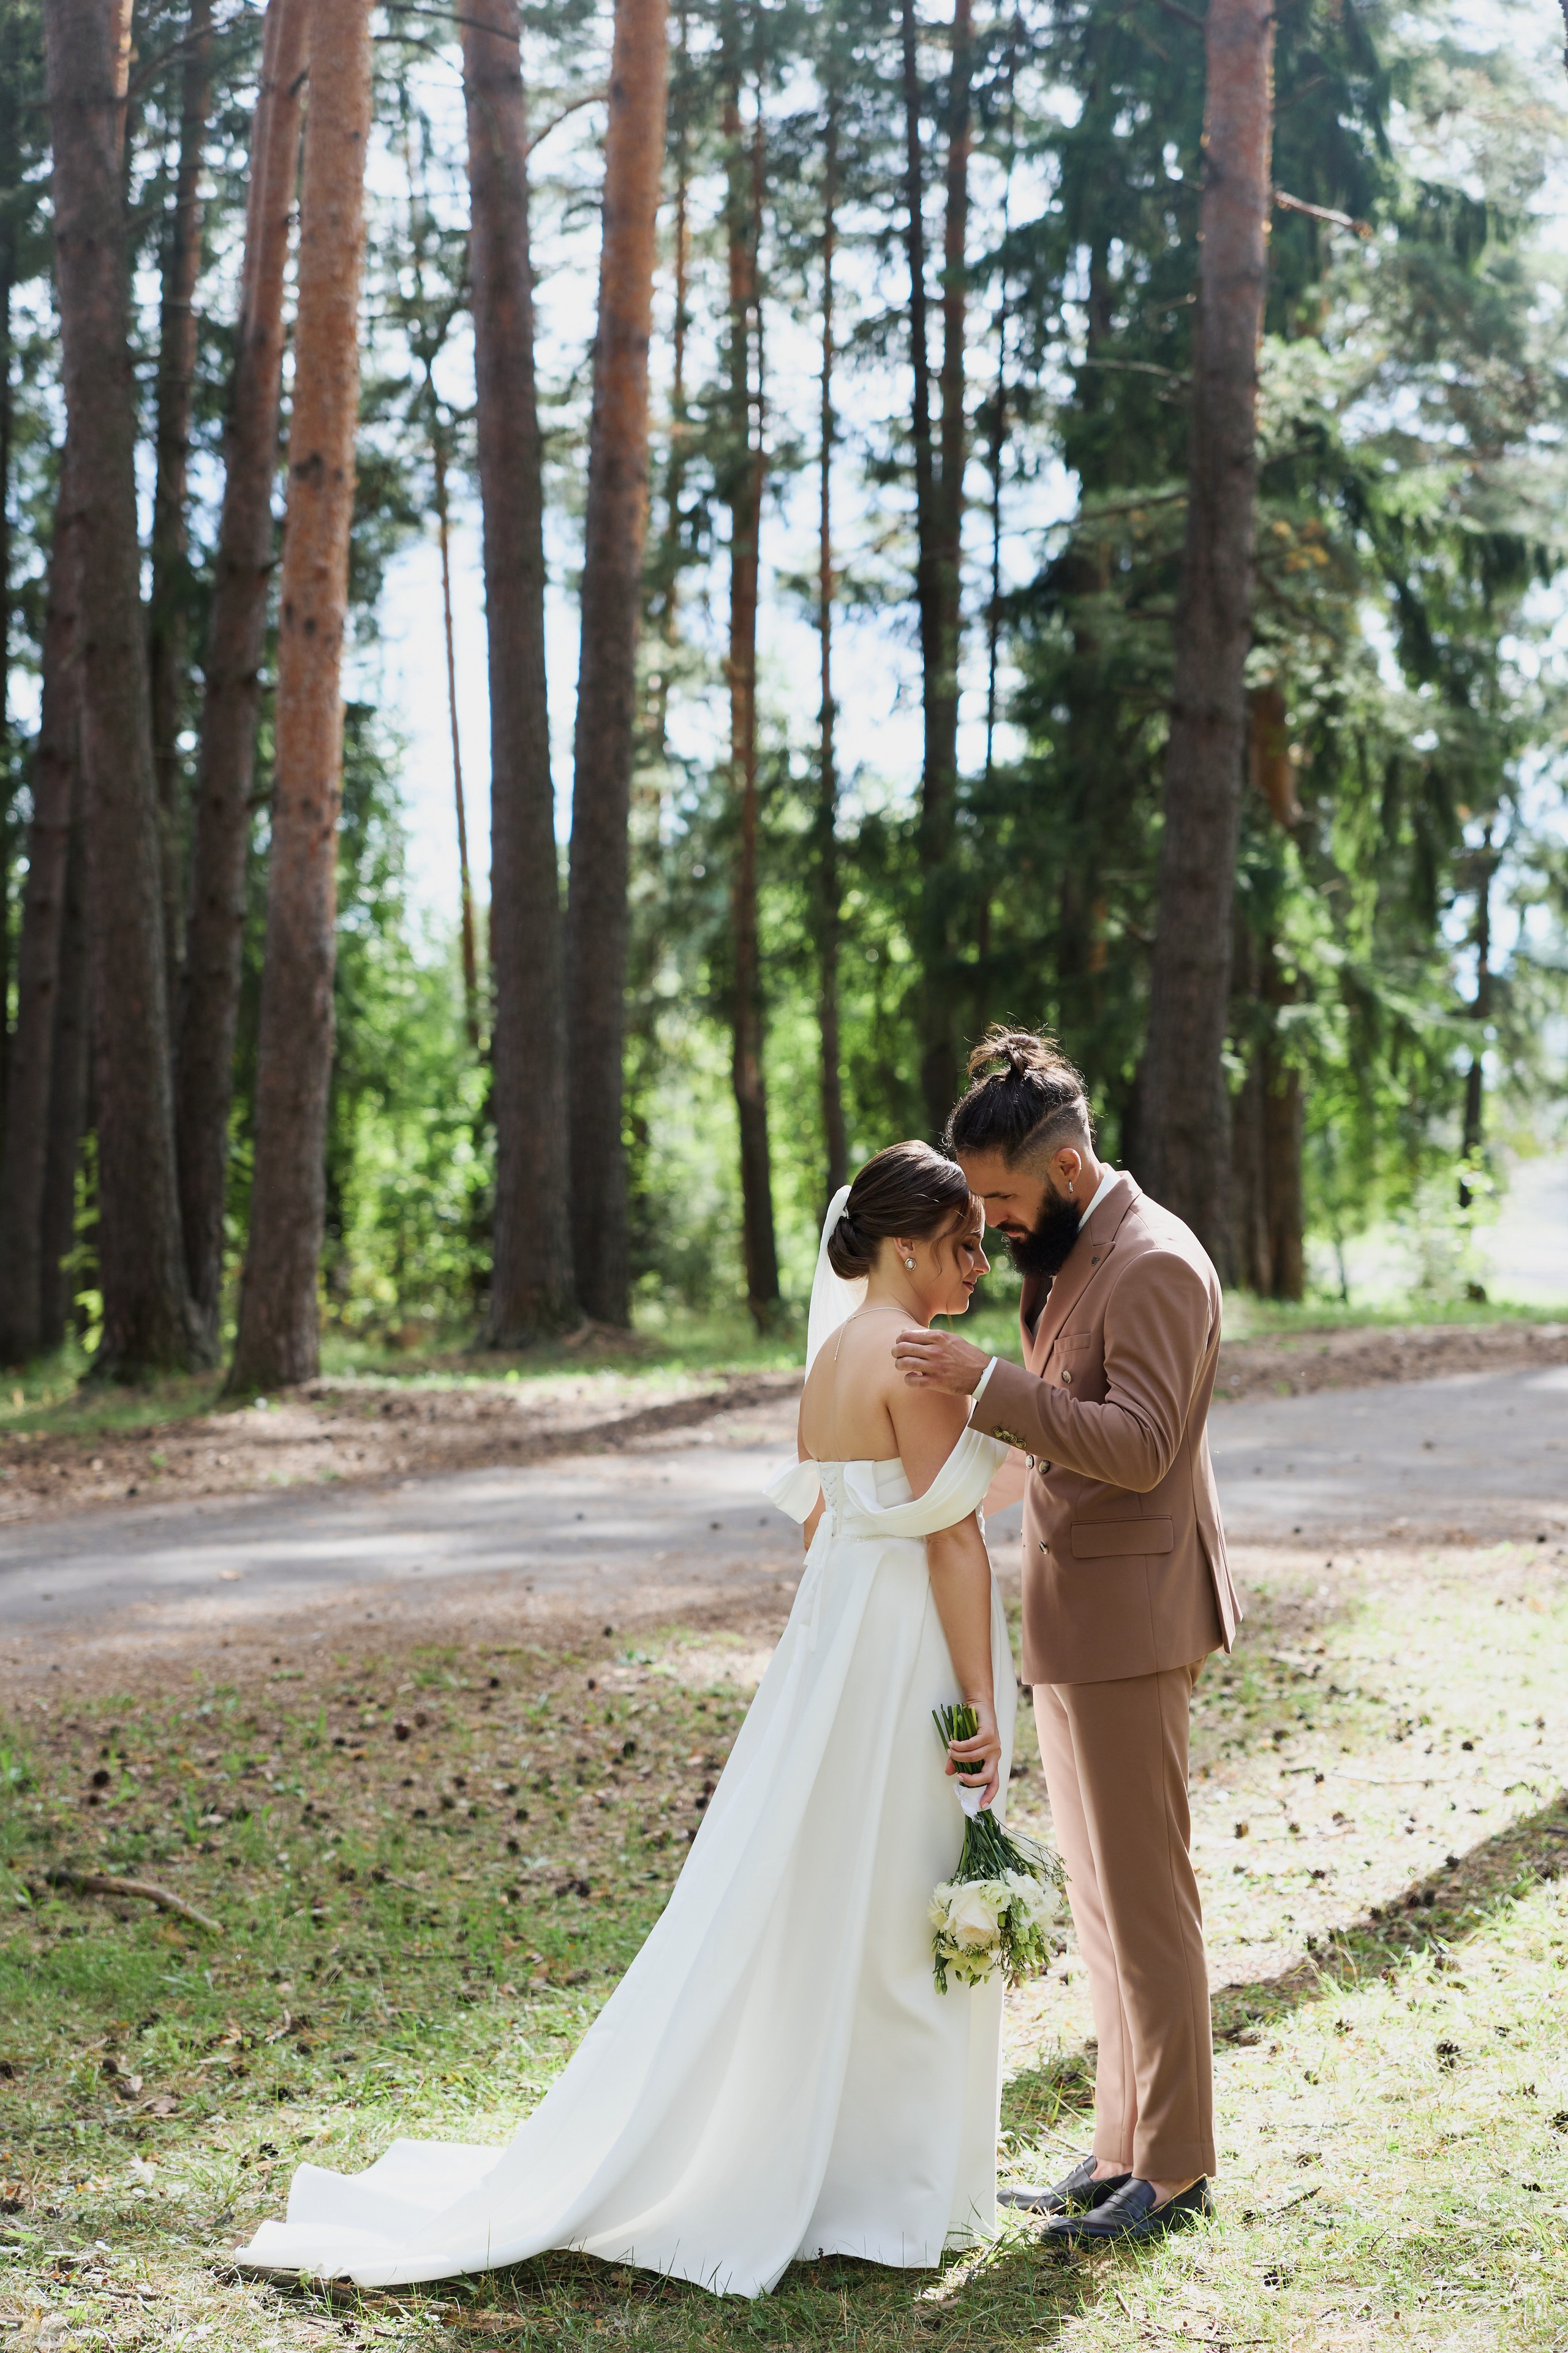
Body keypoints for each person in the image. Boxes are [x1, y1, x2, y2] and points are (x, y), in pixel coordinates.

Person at [235, 1141, 1016, 2298]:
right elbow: (951, 1535)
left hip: (836, 1643)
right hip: (902, 1650)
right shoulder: (913, 1359)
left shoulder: (829, 1362)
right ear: (906, 1246)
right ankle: (884, 2180)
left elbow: (824, 1526)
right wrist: (983, 1700)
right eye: (964, 1245)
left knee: (826, 1885)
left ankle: (848, 2157)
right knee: (901, 1887)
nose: (978, 1267)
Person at [895, 1029, 1240, 2247]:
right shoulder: (1075, 1250)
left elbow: (1138, 1441)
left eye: (998, 1196)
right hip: (1078, 1614)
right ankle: (1118, 2151)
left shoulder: (1149, 1263)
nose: (986, 1222)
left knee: (1146, 1906)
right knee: (1099, 1906)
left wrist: (985, 1383)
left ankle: (1180, 2165)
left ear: (1069, 1165)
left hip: (1132, 1620)